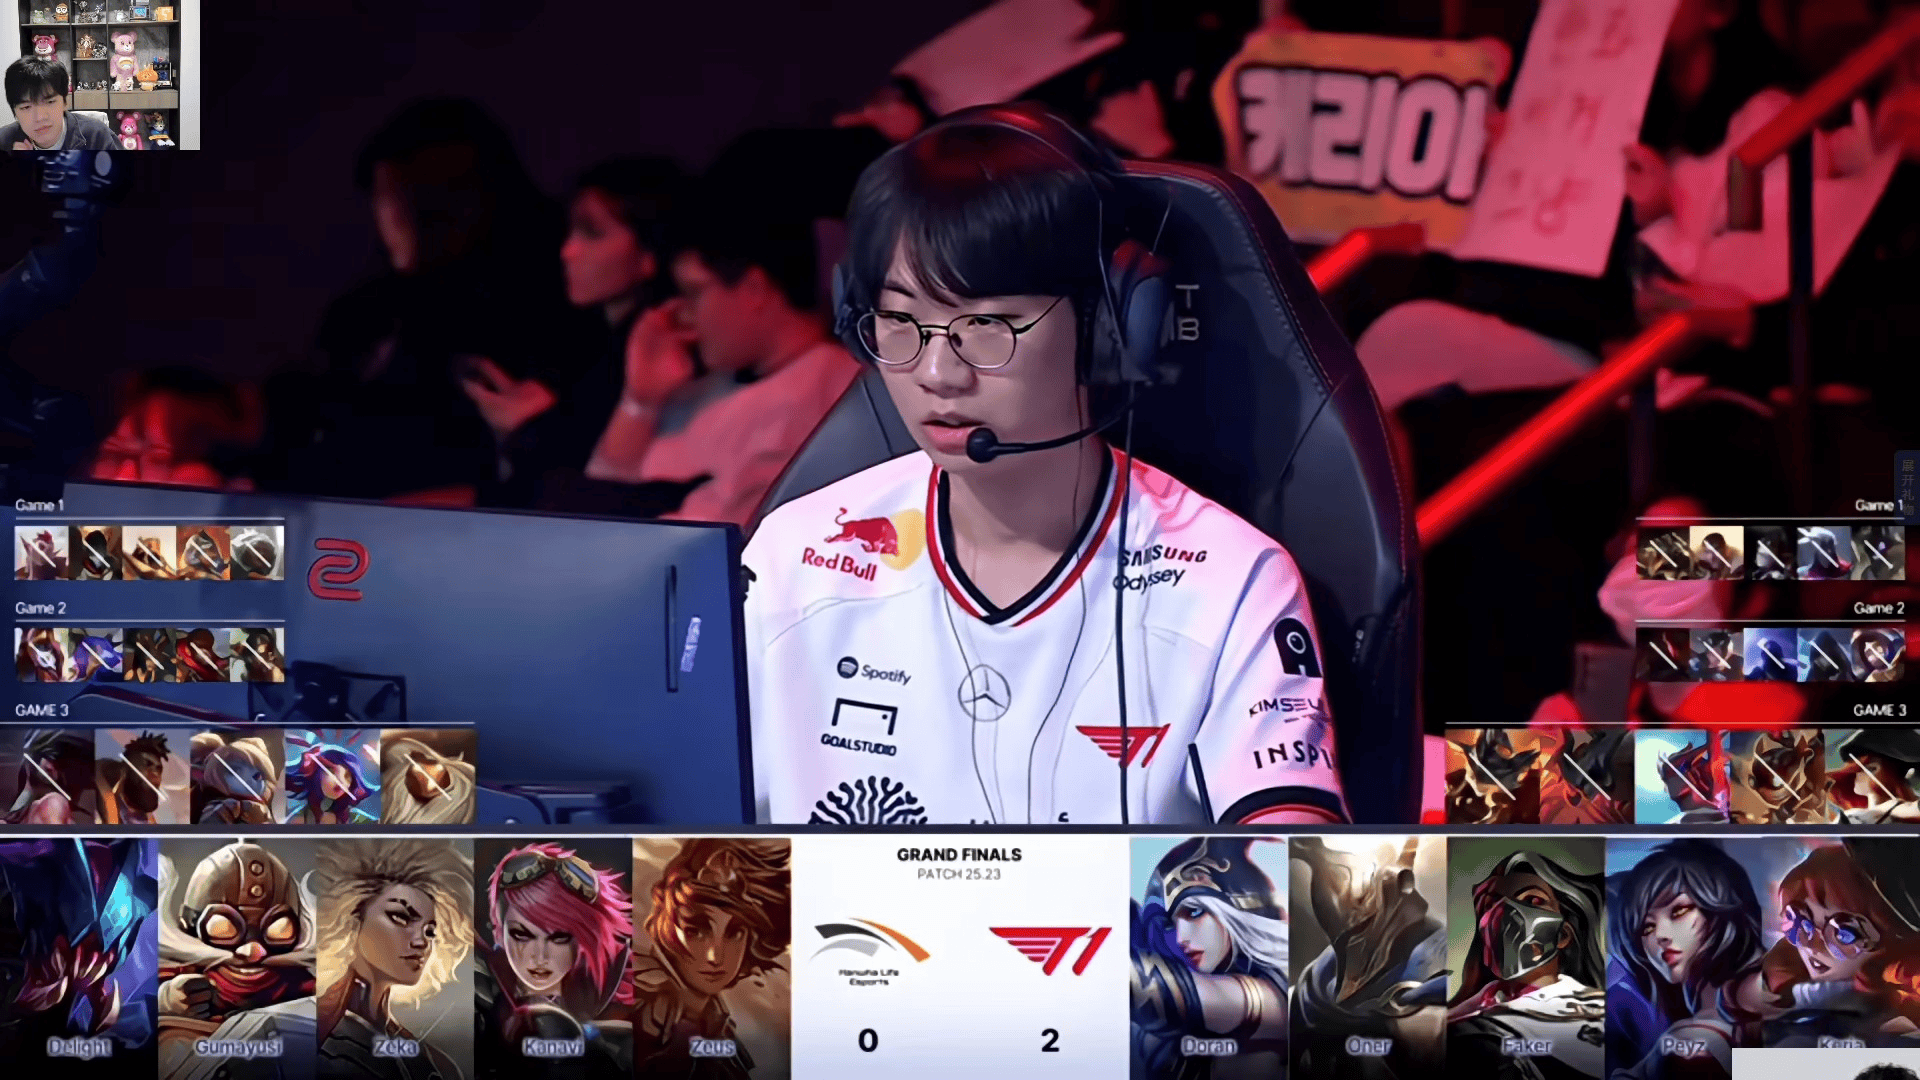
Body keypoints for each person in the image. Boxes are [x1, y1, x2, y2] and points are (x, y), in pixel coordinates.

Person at [743, 104, 1348, 826]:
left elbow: (1296, 874)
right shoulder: (794, 557)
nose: (936, 372)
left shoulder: (1228, 584)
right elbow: (674, 850)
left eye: (986, 326)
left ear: (1105, 326)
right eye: (901, 322)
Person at [266, 98, 600, 505]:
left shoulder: (548, 309)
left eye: (430, 200)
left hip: (455, 530)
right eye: (389, 197)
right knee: (202, 537)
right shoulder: (363, 314)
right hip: (334, 524)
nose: (401, 218)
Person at [581, 182, 860, 528]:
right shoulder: (705, 388)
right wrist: (641, 398)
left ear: (754, 289)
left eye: (694, 292)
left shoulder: (829, 393)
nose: (684, 314)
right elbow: (599, 491)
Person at [458, 156, 685, 506]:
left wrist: (528, 426)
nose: (568, 251)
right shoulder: (579, 339)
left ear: (649, 253)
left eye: (592, 233)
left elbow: (587, 487)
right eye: (571, 231)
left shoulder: (655, 350)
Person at [314, 838, 475, 1080]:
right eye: (400, 917)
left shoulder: (432, 1061)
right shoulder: (311, 1034)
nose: (422, 942)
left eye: (430, 931)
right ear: (352, 919)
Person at [632, 839, 790, 1078]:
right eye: (696, 931)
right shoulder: (641, 1008)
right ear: (666, 922)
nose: (715, 956)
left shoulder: (716, 1022)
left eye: (734, 933)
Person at [1447, 850, 1608, 1080]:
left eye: (1533, 901)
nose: (1503, 914)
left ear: (1563, 934)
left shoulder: (1602, 1015)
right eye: (1491, 904)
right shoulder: (1462, 1016)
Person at [2, 58, 114, 151]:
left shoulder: (96, 136)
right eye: (26, 107)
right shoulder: (3, 141)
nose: (40, 117)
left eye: (50, 102)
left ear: (65, 102)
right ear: (15, 112)